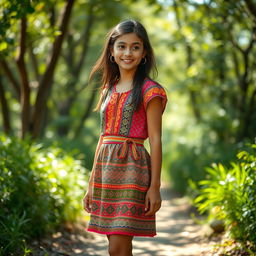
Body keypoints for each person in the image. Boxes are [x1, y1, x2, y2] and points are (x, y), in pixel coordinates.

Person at [83, 19, 167, 256]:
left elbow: (156, 140)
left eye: (135, 47)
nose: (127, 52)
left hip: (133, 168)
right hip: (105, 170)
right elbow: (102, 136)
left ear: (144, 53)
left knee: (119, 246)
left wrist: (155, 187)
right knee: (114, 247)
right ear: (111, 51)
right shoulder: (107, 89)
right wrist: (91, 183)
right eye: (121, 46)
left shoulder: (151, 91)